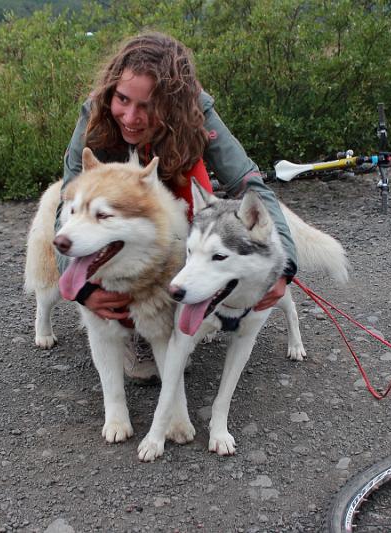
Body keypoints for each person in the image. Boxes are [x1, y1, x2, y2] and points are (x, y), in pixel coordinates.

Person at [58, 32, 298, 381]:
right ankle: (131, 327)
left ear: (172, 104)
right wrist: (82, 287)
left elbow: (248, 183)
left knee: (195, 227)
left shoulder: (197, 108)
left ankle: (188, 303)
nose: (130, 116)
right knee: (108, 233)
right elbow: (67, 203)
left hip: (174, 178)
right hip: (116, 197)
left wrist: (284, 268)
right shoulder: (94, 113)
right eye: (122, 99)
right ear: (111, 91)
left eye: (147, 106)